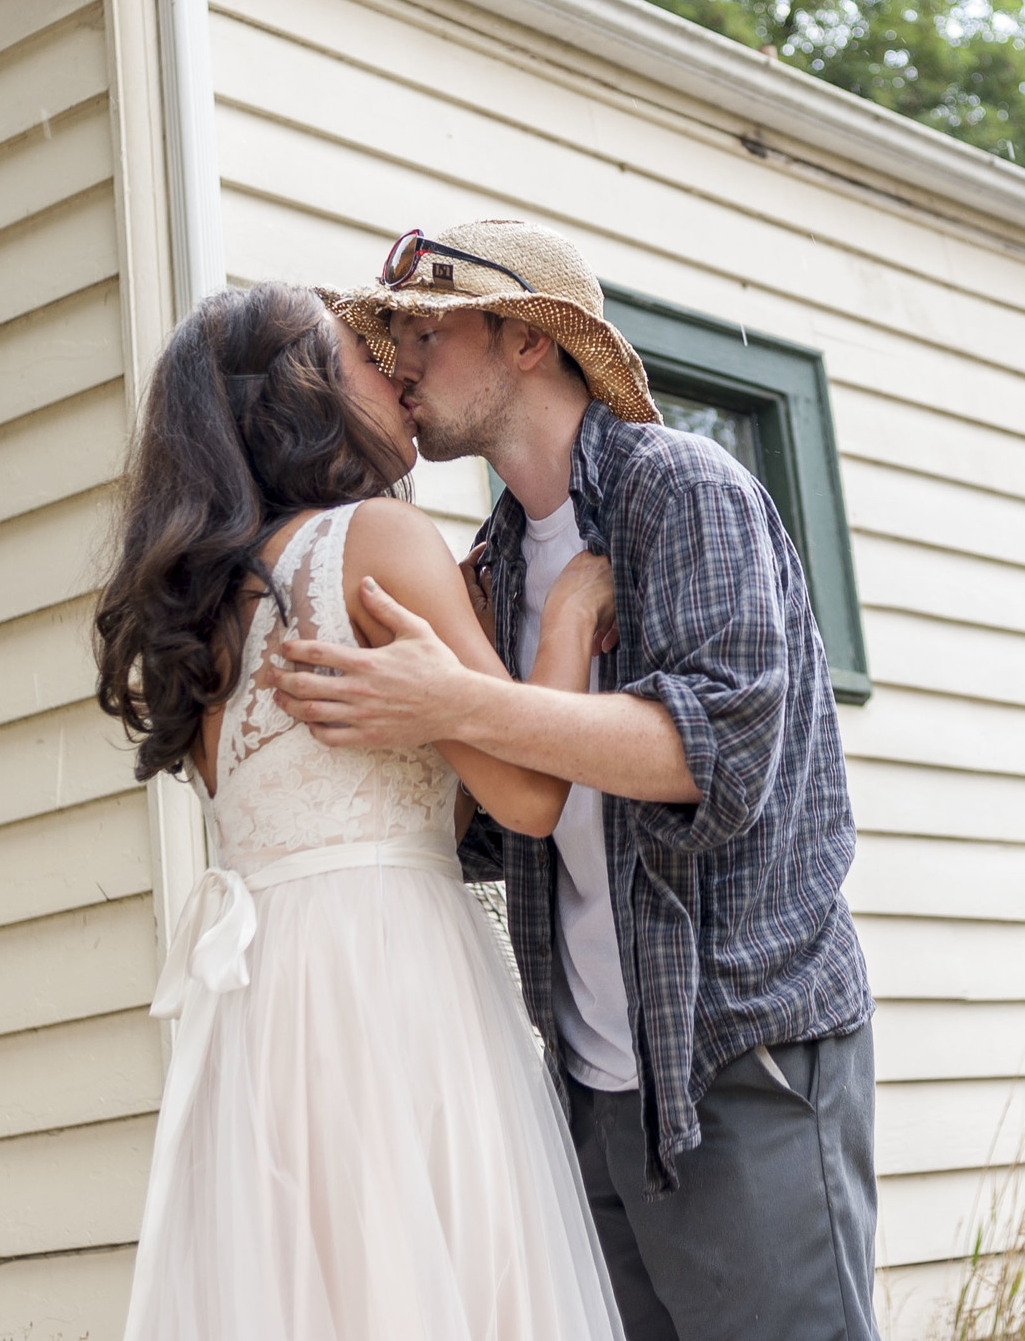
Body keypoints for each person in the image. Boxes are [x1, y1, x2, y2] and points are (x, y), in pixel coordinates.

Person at [273, 220, 880, 1341]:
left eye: (425, 326)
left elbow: (712, 758)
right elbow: (504, 829)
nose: (400, 354)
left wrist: (456, 704)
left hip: (736, 1053)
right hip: (592, 1076)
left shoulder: (681, 492)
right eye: (390, 333)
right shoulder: (490, 566)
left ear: (527, 344)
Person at [91, 282, 626, 1341]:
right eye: (364, 357)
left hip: (266, 1010)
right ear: (302, 395)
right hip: (391, 981)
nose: (396, 370)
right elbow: (524, 798)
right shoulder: (374, 539)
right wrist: (566, 618)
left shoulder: (204, 617)